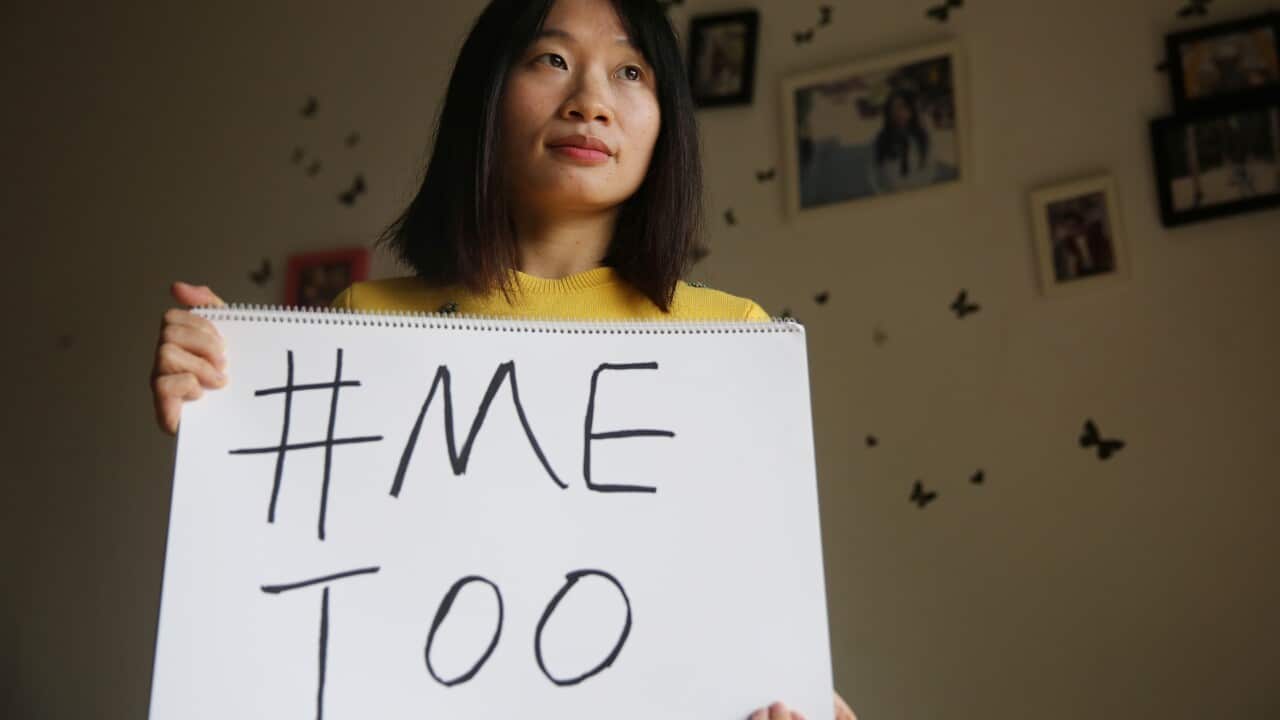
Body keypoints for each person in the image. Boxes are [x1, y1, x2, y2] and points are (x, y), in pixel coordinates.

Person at [150, 1, 854, 717]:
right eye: (551, 60)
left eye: (630, 71)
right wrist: (225, 412)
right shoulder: (366, 323)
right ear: (487, 96)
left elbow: (749, 615)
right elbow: (300, 591)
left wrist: (801, 698)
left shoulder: (730, 340)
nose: (590, 102)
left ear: (665, 121)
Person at [868, 88, 937, 194]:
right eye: (893, 108)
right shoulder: (880, 140)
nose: (898, 112)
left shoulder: (922, 138)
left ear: (910, 110)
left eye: (902, 107)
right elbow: (872, 173)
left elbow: (930, 169)